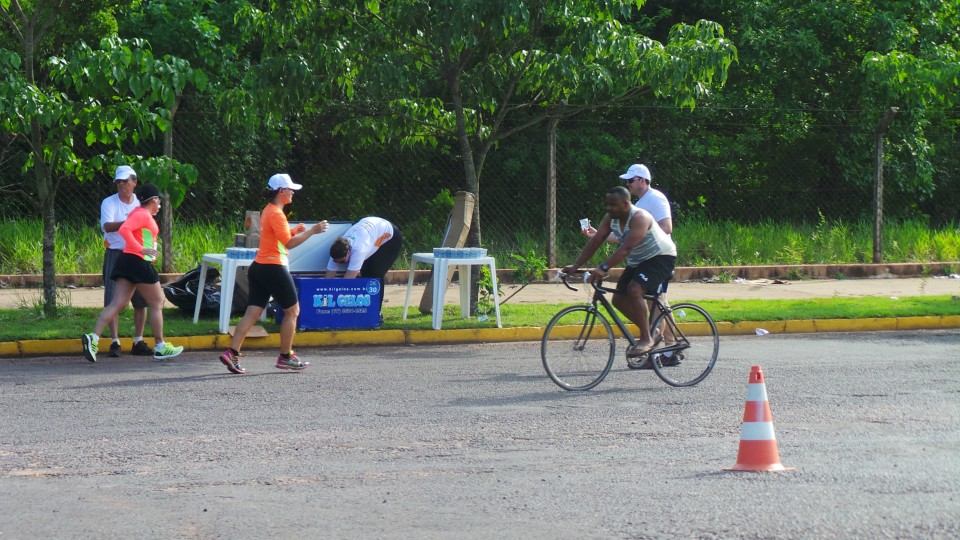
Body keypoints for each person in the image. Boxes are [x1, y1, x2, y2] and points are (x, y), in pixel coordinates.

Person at [218, 173, 329, 375]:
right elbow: (288, 244)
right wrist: (312, 231)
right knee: (292, 311)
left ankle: (231, 352)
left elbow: (276, 237)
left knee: (253, 312)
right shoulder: (277, 214)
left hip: (259, 267)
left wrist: (294, 231)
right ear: (281, 191)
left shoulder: (269, 210)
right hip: (273, 267)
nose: (293, 192)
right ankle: (285, 357)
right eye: (290, 189)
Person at [563, 186, 677, 365]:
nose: (609, 208)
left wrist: (604, 267)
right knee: (618, 299)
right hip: (638, 261)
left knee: (634, 289)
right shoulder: (611, 219)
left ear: (626, 204)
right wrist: (576, 265)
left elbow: (626, 248)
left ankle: (647, 338)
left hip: (660, 258)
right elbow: (597, 240)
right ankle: (652, 332)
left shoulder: (640, 217)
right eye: (607, 204)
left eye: (613, 205)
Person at [81, 183, 184, 362]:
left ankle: (93, 338)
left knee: (118, 303)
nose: (159, 203)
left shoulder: (141, 214)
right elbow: (124, 229)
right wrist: (141, 249)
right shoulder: (142, 214)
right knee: (157, 302)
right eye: (158, 200)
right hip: (138, 262)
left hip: (128, 261)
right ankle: (160, 346)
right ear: (153, 200)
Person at [99, 165, 151, 358]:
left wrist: (149, 252)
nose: (122, 184)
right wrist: (131, 222)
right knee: (113, 300)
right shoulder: (109, 203)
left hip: (137, 254)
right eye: (118, 181)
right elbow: (107, 226)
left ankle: (138, 340)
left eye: (125, 181)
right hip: (116, 253)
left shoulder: (141, 204)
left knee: (141, 300)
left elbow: (147, 228)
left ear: (134, 182)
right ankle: (115, 341)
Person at [325, 216, 403, 311]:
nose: (341, 264)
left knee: (374, 275)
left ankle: (375, 312)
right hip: (370, 229)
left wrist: (334, 305)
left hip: (390, 237)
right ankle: (364, 308)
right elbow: (327, 281)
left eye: (342, 261)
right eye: (337, 262)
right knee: (365, 272)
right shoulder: (336, 252)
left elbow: (346, 283)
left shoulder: (359, 250)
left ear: (349, 252)